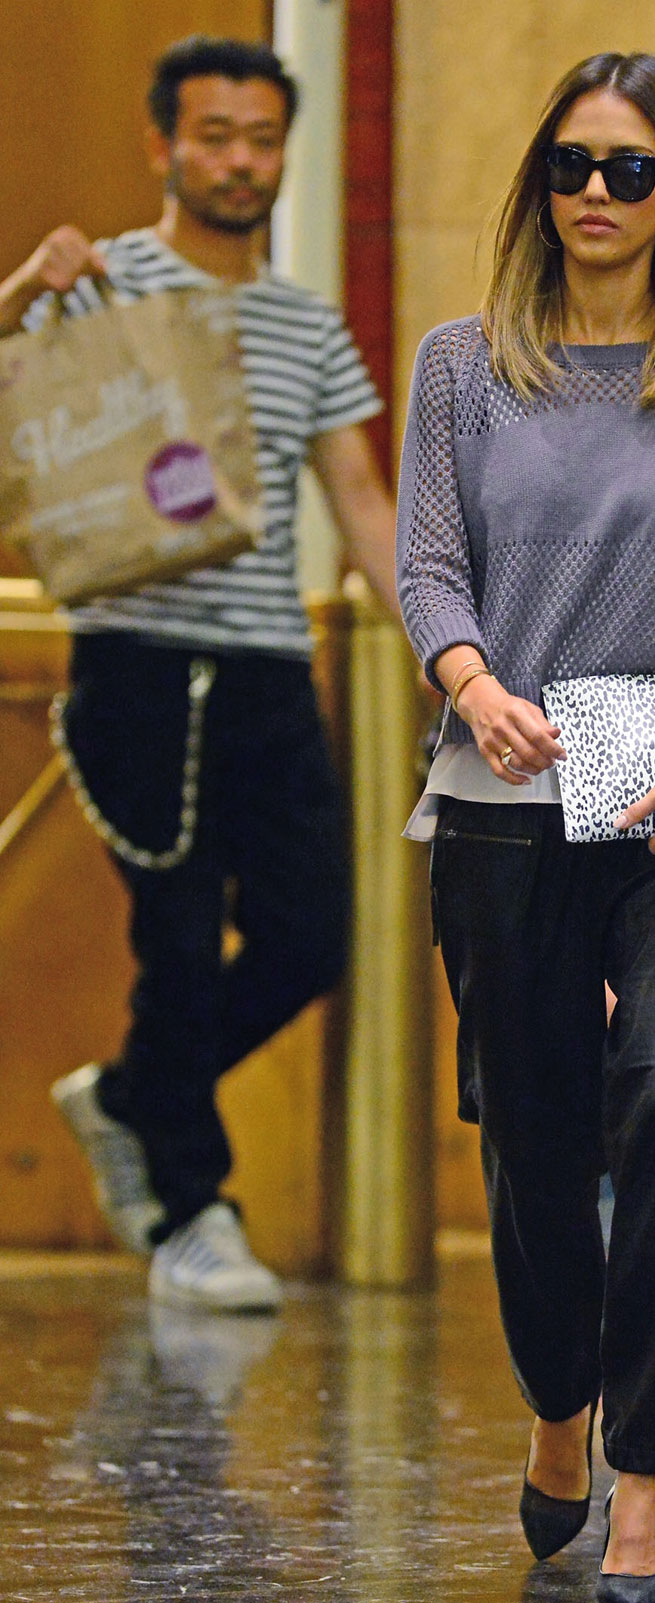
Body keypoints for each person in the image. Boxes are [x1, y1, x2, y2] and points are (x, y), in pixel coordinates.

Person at [395, 52, 655, 1603]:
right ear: (538, 183)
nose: (598, 196)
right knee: (539, 1132)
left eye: (631, 169)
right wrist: (475, 685)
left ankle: (646, 1482)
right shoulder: (462, 362)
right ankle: (560, 1403)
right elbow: (429, 566)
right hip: (507, 779)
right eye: (573, 166)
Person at [0, 36, 399, 1313]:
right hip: (135, 661)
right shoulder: (101, 283)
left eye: (261, 138)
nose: (239, 160)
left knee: (306, 935)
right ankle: (191, 1207)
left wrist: (461, 657)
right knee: (172, 944)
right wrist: (20, 294)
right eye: (214, 135)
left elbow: (360, 499)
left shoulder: (306, 322)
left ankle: (128, 1097)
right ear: (163, 142)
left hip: (271, 668)